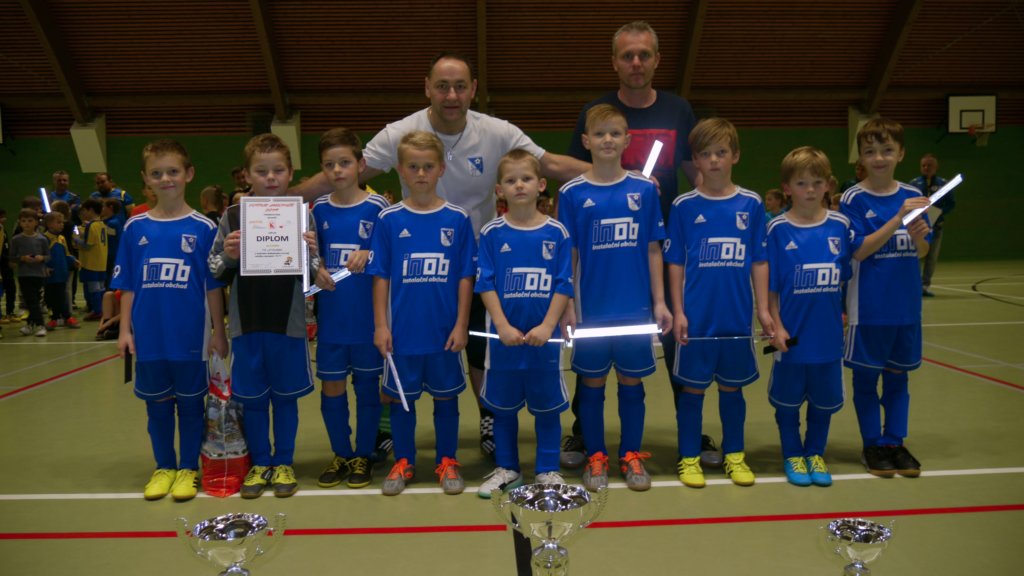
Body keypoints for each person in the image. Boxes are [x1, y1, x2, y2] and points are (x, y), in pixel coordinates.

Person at [293, 52, 589, 460]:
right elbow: (345, 173)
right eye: (443, 86)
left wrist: (616, 174)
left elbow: (550, 164)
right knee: (403, 343)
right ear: (427, 88)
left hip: (477, 257)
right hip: (415, 260)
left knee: (477, 345)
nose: (452, 95)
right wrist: (278, 199)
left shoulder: (497, 131)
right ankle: (389, 425)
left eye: (460, 86)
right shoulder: (400, 132)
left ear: (473, 90)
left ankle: (488, 416)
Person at [564, 21, 705, 469]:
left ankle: (688, 434)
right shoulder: (595, 111)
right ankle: (585, 436)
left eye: (644, 54)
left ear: (657, 60)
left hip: (660, 247)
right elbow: (578, 169)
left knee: (673, 338)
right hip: (604, 257)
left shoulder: (679, 110)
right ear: (615, 62)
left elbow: (697, 174)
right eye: (628, 56)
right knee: (593, 356)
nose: (637, 62)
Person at [558, 105, 671, 492]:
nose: (607, 139)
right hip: (590, 308)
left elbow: (653, 249)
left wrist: (660, 302)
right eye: (599, 133)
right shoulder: (571, 193)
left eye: (615, 133)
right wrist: (567, 303)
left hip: (635, 308)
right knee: (591, 382)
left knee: (631, 381)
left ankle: (631, 453)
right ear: (586, 141)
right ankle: (596, 456)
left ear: (627, 140)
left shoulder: (644, 191)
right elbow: (569, 254)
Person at [112, 139, 228, 501]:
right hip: (149, 338)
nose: (166, 179)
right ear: (146, 178)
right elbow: (128, 285)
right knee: (157, 406)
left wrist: (218, 332)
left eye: (173, 171)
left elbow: (213, 287)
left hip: (190, 338)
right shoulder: (135, 227)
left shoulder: (204, 228)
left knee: (191, 406)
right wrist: (124, 330)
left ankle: (188, 469)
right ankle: (164, 466)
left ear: (189, 174)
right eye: (157, 173)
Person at [665, 117, 774, 489]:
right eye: (706, 154)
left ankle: (735, 455)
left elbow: (759, 260)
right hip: (696, 319)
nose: (714, 160)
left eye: (721, 152)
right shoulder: (683, 206)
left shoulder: (751, 203)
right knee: (692, 390)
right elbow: (675, 262)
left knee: (732, 388)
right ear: (695, 159)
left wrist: (763, 310)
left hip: (736, 317)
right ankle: (689, 458)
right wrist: (679, 311)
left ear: (735, 156)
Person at [209, 134, 318, 498]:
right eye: (261, 171)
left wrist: (311, 254)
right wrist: (229, 255)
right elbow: (214, 268)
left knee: (285, 398)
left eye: (278, 170)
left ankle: (283, 462)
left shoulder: (302, 214)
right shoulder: (232, 216)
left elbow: (313, 274)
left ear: (290, 173)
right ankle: (260, 463)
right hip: (247, 323)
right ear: (246, 175)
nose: (271, 177)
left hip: (289, 323)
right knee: (253, 399)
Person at [367, 131, 476, 496]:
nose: (421, 173)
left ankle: (447, 460)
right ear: (400, 170)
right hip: (402, 334)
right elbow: (380, 276)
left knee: (446, 399)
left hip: (444, 332)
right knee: (402, 400)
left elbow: (465, 276)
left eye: (428, 166)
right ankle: (404, 460)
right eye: (413, 167)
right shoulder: (389, 219)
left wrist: (462, 324)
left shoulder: (457, 219)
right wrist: (381, 326)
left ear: (441, 169)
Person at [475, 150, 573, 498]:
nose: (519, 185)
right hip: (503, 341)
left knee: (547, 409)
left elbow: (563, 284)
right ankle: (507, 468)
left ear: (541, 185)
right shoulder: (491, 233)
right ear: (499, 189)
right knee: (503, 408)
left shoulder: (557, 233)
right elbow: (485, 283)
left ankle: (547, 469)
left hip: (545, 342)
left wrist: (548, 326)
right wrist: (502, 325)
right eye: (511, 180)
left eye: (526, 179)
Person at [840, 118, 932, 478]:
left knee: (898, 379)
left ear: (901, 153)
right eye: (870, 151)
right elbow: (859, 251)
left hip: (906, 309)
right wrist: (898, 219)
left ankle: (895, 441)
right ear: (861, 157)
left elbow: (921, 251)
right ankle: (872, 444)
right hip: (868, 310)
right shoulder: (853, 198)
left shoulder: (913, 195)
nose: (879, 158)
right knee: (866, 379)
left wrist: (919, 236)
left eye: (887, 150)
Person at [309, 128, 388, 489]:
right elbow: (311, 258)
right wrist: (316, 268)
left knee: (368, 389)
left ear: (361, 164)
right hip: (332, 320)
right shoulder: (318, 209)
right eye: (329, 165)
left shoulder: (379, 208)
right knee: (332, 388)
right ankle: (341, 453)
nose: (337, 170)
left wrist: (370, 253)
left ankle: (363, 455)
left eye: (344, 162)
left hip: (367, 320)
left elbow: (391, 255)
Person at [910, 153, 953, 297]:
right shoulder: (914, 184)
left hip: (936, 226)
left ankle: (925, 286)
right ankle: (913, 285)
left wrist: (938, 213)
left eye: (929, 165)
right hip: (918, 227)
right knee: (915, 256)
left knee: (932, 257)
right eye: (923, 165)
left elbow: (951, 203)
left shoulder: (943, 184)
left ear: (936, 167)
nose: (926, 168)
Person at [10, 208, 50, 337]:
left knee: (35, 301)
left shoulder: (42, 239)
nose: (27, 223)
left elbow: (48, 256)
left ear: (36, 222)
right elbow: (12, 257)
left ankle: (30, 324)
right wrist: (22, 258)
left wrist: (41, 258)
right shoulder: (16, 239)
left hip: (39, 274)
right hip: (24, 274)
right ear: (20, 223)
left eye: (30, 220)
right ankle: (40, 325)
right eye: (23, 221)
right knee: (31, 301)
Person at [43, 211, 79, 329]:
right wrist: (44, 267)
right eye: (58, 222)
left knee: (62, 296)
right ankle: (56, 317)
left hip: (62, 273)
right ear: (49, 224)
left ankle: (65, 317)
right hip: (51, 274)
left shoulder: (62, 238)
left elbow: (66, 254)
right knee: (52, 297)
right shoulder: (44, 239)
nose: (62, 225)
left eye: (62, 222)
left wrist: (73, 260)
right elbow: (42, 256)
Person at [75, 199, 108, 319]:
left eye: (85, 210)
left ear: (91, 210)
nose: (83, 213)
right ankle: (103, 309)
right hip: (101, 261)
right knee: (101, 287)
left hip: (91, 262)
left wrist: (76, 239)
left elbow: (88, 245)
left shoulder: (91, 225)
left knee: (93, 288)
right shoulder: (102, 224)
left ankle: (97, 311)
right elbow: (95, 239)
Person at [101, 198, 124, 288]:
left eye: (104, 207)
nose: (102, 209)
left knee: (109, 279)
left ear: (110, 208)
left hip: (111, 255)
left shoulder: (112, 223)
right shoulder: (114, 221)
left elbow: (106, 237)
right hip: (113, 254)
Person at [0, 208, 16, 324]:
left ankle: (10, 312)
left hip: (6, 266)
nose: (3, 219)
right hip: (2, 265)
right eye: (1, 217)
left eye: (4, 216)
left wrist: (10, 259)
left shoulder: (3, 230)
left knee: (11, 288)